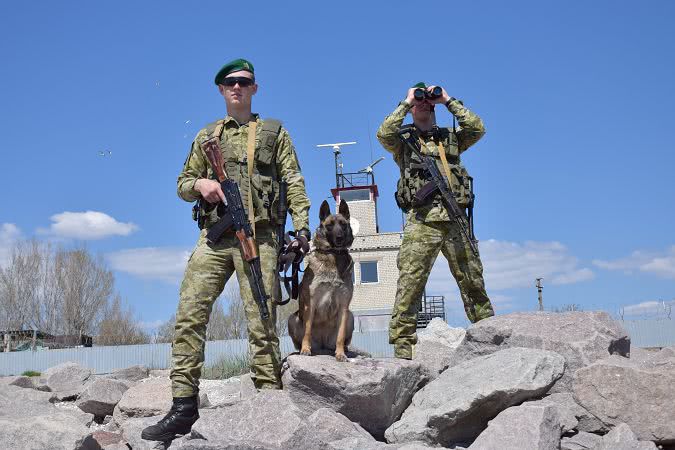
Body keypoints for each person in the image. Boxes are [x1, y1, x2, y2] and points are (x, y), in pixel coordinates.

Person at [142, 58, 311, 441]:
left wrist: (302, 227)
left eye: (244, 82)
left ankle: (269, 403)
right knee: (189, 315)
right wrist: (201, 186)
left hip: (260, 237)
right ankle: (183, 406)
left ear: (254, 89)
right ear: (221, 90)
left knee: (262, 320)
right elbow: (182, 183)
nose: (237, 87)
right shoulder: (208, 135)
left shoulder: (273, 131)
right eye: (230, 82)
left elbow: (294, 179)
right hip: (216, 238)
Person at [377, 82, 495, 360]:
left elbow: (477, 128)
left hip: (455, 220)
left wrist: (447, 100)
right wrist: (406, 103)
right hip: (422, 222)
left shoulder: (450, 138)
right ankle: (403, 347)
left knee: (473, 282)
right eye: (419, 101)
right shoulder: (403, 141)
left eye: (426, 100)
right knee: (410, 284)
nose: (423, 104)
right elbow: (383, 133)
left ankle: (490, 335)